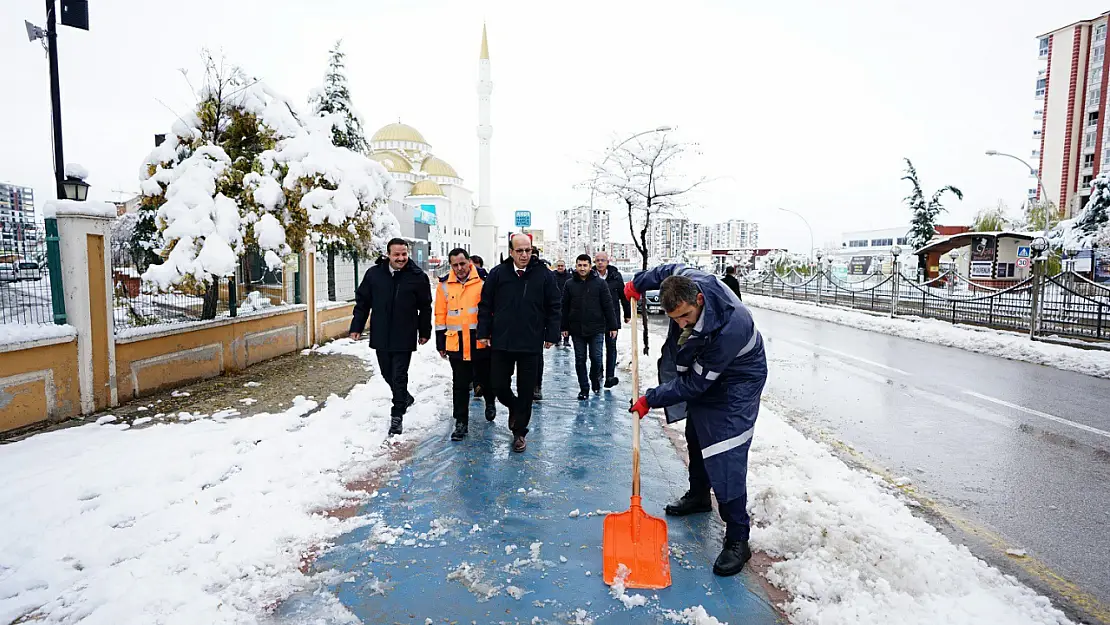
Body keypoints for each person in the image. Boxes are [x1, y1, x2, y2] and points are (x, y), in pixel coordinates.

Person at [625, 264, 767, 577]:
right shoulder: (689, 278)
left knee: (725, 452)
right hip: (707, 369)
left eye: (685, 317)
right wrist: (638, 283)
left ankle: (738, 539)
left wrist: (653, 398)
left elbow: (696, 384)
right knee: (696, 433)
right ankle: (700, 495)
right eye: (675, 319)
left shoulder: (733, 324)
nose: (680, 324)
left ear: (700, 300)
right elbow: (664, 272)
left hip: (738, 380)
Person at [477, 233, 561, 453]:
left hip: (530, 342)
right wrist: (483, 332)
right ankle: (515, 408)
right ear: (511, 252)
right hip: (501, 341)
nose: (525, 255)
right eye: (520, 251)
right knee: (498, 386)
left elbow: (554, 305)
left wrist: (551, 334)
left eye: (528, 250)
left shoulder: (544, 275)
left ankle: (519, 433)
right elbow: (485, 305)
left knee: (526, 390)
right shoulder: (498, 274)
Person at [350, 238, 433, 436]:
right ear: (388, 255)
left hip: (404, 335)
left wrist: (424, 331)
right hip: (381, 334)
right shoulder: (374, 275)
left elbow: (425, 307)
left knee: (399, 375)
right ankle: (404, 397)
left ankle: (397, 415)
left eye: (404, 254)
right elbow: (363, 303)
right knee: (387, 374)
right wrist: (357, 326)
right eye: (396, 254)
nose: (401, 258)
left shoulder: (417, 277)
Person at [436, 248, 496, 441]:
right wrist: (440, 342)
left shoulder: (483, 282)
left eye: (463, 263)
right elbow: (440, 315)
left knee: (485, 378)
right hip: (456, 341)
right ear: (451, 265)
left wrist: (490, 334)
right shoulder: (444, 286)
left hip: (480, 339)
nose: (460, 268)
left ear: (469, 262)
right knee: (460, 384)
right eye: (455, 265)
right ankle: (461, 422)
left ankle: (490, 402)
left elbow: (492, 311)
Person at [561, 254, 618, 400]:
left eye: (585, 265)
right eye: (579, 265)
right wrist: (564, 327)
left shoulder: (600, 284)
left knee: (596, 358)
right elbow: (564, 307)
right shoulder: (569, 284)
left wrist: (613, 326)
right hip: (577, 329)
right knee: (580, 359)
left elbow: (608, 305)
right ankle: (584, 388)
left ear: (589, 266)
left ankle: (595, 379)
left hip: (596, 328)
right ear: (576, 266)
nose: (582, 268)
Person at [593, 251, 631, 388]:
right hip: (595, 318)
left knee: (611, 347)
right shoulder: (590, 276)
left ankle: (610, 375)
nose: (600, 263)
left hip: (612, 318)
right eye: (597, 260)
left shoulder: (615, 276)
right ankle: (599, 372)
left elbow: (623, 295)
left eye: (603, 260)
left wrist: (628, 314)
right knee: (596, 349)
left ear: (608, 262)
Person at [553, 259, 573, 347]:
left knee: (566, 321)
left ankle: (566, 339)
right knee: (556, 321)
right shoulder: (552, 275)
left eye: (562, 266)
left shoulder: (569, 276)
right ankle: (557, 339)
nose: (560, 267)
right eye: (559, 266)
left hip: (567, 301)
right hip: (555, 301)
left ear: (564, 267)